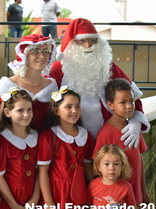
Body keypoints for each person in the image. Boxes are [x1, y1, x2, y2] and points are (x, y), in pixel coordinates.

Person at [51, 18, 150, 149]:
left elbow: (131, 97)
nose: (88, 45)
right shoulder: (59, 70)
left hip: (110, 138)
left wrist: (136, 121)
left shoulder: (110, 67)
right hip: (73, 141)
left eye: (92, 40)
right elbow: (47, 105)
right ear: (72, 43)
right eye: (82, 40)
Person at [92, 79, 150, 209]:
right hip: (114, 200)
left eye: (131, 101)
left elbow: (139, 162)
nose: (129, 106)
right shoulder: (106, 133)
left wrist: (143, 190)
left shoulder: (134, 129)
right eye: (122, 102)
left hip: (134, 196)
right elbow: (97, 166)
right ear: (110, 105)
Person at [37, 87, 94, 209]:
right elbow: (43, 172)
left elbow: (88, 167)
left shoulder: (86, 136)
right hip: (56, 193)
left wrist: (95, 190)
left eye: (77, 107)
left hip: (78, 193)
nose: (74, 111)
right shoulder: (49, 136)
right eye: (68, 107)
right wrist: (49, 203)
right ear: (56, 111)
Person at [0, 88, 39, 209]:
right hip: (8, 200)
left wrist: (34, 200)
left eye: (29, 109)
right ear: (7, 112)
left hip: (30, 199)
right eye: (20, 110)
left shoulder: (36, 137)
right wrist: (14, 206)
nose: (26, 114)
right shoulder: (1, 141)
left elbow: (39, 172)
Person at [0, 34, 57, 132]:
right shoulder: (7, 86)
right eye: (36, 51)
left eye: (45, 51)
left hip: (44, 144)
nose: (42, 56)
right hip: (13, 143)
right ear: (24, 55)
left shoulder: (51, 86)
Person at [85, 144, 140, 209]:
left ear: (122, 166)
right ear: (99, 167)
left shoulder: (126, 187)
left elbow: (132, 208)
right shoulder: (92, 186)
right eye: (106, 164)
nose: (111, 168)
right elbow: (89, 206)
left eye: (116, 164)